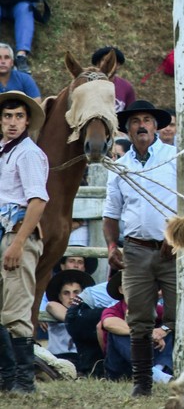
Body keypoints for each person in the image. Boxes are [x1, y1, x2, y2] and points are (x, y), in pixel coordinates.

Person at [102, 100, 177, 397]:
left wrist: (177, 236)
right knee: (139, 317)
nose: (142, 125)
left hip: (173, 247)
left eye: (147, 119)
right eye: (135, 121)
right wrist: (111, 244)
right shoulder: (119, 166)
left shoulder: (174, 157)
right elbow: (111, 213)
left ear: (156, 126)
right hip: (135, 249)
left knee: (179, 313)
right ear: (128, 129)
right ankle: (142, 382)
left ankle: (182, 375)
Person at [0, 90, 48, 393]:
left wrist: (18, 243)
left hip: (16, 233)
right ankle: (7, 378)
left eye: (19, 116)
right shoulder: (4, 150)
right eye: (7, 116)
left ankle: (23, 381)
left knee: (16, 311)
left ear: (27, 120)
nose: (13, 122)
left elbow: (38, 200)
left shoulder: (28, 152)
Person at [100, 271, 173, 383]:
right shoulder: (114, 309)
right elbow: (109, 323)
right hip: (121, 367)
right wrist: (147, 333)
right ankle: (152, 372)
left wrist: (163, 330)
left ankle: (158, 370)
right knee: (117, 333)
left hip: (151, 359)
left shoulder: (153, 308)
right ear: (121, 290)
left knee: (168, 329)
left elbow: (175, 317)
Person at [44, 270, 95, 364]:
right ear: (59, 296)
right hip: (58, 358)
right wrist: (79, 321)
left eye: (76, 292)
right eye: (66, 293)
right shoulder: (53, 306)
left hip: (82, 357)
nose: (72, 297)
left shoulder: (89, 310)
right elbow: (50, 305)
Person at [91, 46, 136, 113]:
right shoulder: (89, 84)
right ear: (98, 64)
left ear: (118, 65)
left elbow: (132, 114)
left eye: (112, 61)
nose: (108, 63)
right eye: (104, 60)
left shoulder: (126, 87)